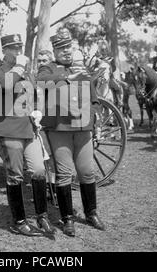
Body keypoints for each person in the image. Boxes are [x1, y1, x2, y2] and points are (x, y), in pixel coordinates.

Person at [36, 29, 105, 237]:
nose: (66, 51)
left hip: (83, 129)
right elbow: (42, 81)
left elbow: (94, 100)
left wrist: (93, 116)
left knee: (87, 171)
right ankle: (67, 218)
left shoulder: (81, 68)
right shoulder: (48, 69)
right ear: (54, 50)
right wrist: (69, 76)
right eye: (61, 48)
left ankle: (91, 212)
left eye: (68, 47)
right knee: (65, 174)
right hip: (60, 129)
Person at [0, 33, 54, 237]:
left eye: (19, 47)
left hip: (27, 128)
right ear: (4, 50)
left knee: (39, 170)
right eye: (13, 48)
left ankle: (42, 215)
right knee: (15, 174)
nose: (18, 51)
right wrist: (18, 67)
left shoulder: (25, 72)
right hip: (6, 129)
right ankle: (19, 221)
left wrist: (36, 110)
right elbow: (5, 86)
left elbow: (35, 93)